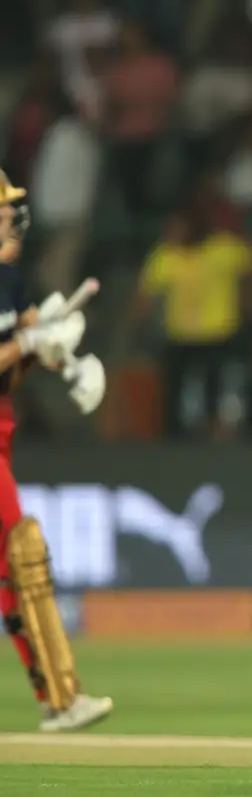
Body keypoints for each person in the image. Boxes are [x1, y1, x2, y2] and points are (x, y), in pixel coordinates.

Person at [0, 170, 112, 732]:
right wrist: (27, 341)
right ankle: (62, 698)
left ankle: (57, 700)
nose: (12, 217)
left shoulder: (8, 280)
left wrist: (59, 353)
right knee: (21, 551)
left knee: (11, 566)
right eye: (3, 209)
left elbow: (17, 358)